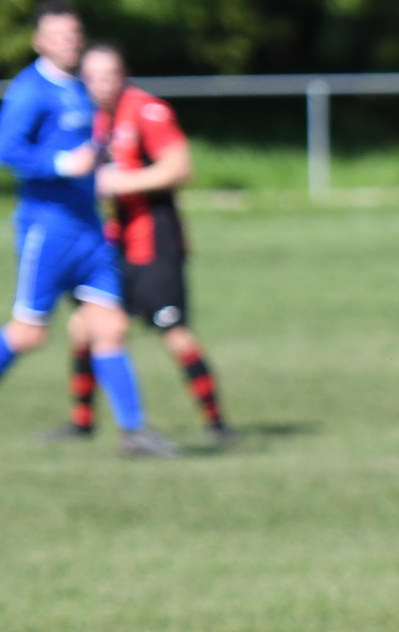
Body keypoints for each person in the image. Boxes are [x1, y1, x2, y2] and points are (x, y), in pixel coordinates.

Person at [0, 2, 171, 457]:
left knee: (110, 327)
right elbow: (7, 149)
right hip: (49, 230)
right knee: (28, 333)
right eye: (58, 35)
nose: (69, 42)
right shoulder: (29, 91)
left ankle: (134, 433)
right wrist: (61, 164)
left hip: (90, 232)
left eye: (74, 34)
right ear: (39, 41)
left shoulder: (81, 88)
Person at [51, 41, 230, 444]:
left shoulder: (148, 111)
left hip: (153, 242)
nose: (101, 85)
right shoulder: (90, 119)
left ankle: (218, 424)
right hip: (109, 247)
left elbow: (180, 166)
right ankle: (81, 423)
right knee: (84, 326)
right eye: (92, 77)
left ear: (124, 74)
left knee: (173, 330)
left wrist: (124, 182)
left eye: (110, 75)